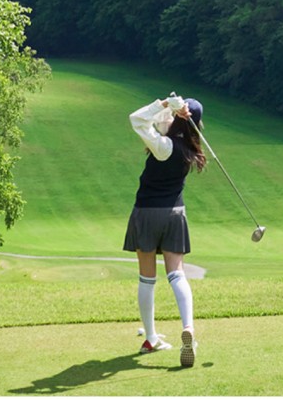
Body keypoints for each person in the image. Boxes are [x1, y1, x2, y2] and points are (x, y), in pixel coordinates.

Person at [124, 93, 207, 368]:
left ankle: (151, 338)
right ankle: (189, 328)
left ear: (180, 118)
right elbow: (162, 123)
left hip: (147, 212)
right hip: (175, 214)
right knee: (176, 273)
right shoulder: (190, 150)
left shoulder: (164, 146)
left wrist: (162, 105)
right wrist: (171, 109)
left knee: (147, 278)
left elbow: (137, 120)